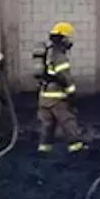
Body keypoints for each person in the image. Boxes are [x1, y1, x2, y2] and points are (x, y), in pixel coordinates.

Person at [35, 21, 85, 153]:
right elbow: (65, 77)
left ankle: (44, 149)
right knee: (68, 120)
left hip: (44, 96)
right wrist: (72, 94)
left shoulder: (48, 51)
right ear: (63, 38)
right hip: (57, 97)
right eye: (69, 38)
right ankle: (76, 147)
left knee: (47, 124)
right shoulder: (59, 56)